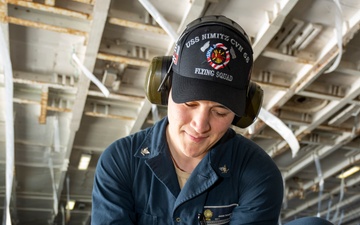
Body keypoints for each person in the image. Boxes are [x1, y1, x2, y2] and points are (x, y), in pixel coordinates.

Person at [92, 15, 284, 225]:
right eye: (190, 104)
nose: (200, 125)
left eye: (220, 112)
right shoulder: (121, 161)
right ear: (165, 88)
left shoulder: (259, 173)